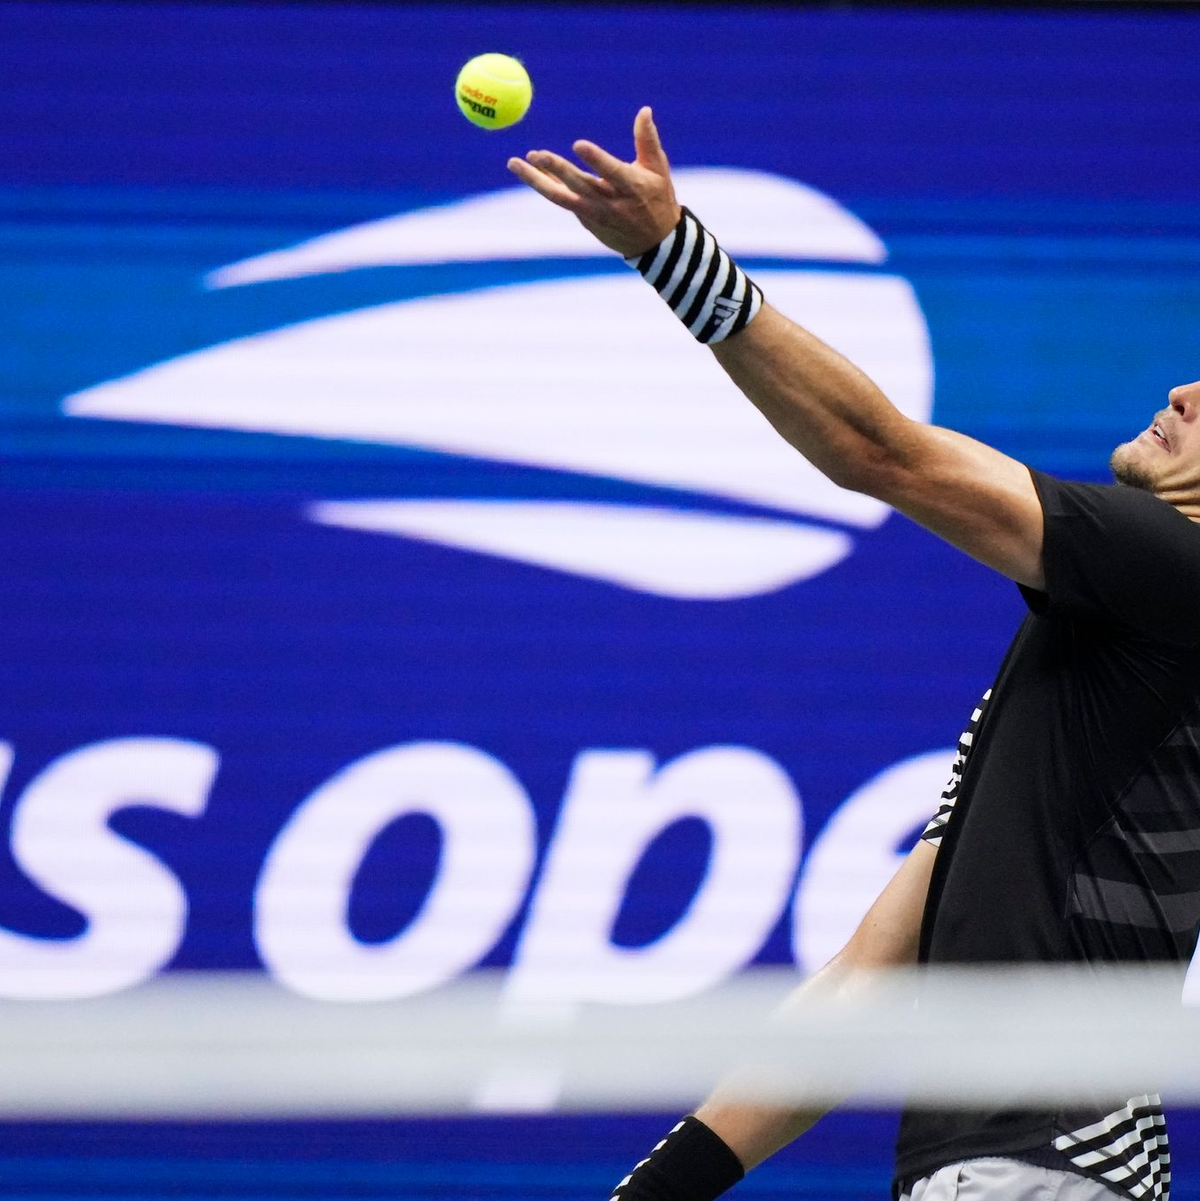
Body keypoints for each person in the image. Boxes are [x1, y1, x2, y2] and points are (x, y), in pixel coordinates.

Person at [507, 108, 1200, 1201]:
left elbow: (879, 451)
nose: (1182, 393)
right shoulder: (1092, 682)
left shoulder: (1176, 564)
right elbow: (875, 970)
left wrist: (671, 253)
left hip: (1049, 1167)